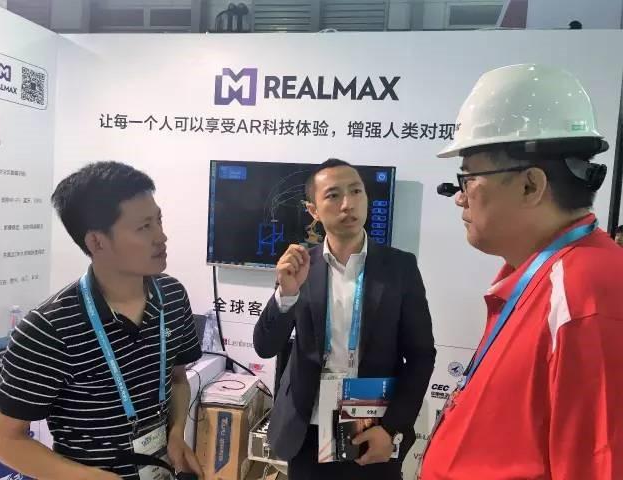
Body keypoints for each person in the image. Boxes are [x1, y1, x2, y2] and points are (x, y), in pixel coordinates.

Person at [421, 64, 623, 479]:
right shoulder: (546, 276)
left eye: (468, 177)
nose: (459, 197)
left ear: (531, 185)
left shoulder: (584, 297)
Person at [0, 161, 204, 480]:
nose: (162, 236)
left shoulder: (172, 295)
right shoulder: (48, 329)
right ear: (97, 242)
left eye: (158, 220)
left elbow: (177, 380)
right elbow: (5, 439)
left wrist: (175, 433)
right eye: (144, 227)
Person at [254, 158, 435, 480]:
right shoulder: (299, 266)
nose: (347, 203)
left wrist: (391, 427)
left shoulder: (400, 268)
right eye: (333, 195)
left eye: (356, 191)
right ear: (313, 210)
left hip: (373, 424)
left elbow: (421, 355)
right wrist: (287, 293)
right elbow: (265, 347)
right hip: (306, 428)